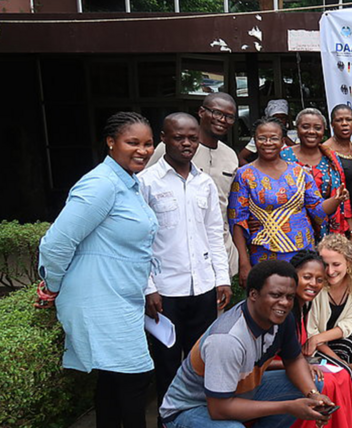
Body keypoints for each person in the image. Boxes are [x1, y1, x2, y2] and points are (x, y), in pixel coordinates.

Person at [37, 112, 157, 428]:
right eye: (133, 142)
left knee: (114, 381)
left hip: (120, 298)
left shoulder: (129, 184)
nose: (142, 150)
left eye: (148, 143)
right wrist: (52, 285)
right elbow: (56, 243)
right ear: (110, 142)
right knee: (135, 377)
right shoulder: (101, 184)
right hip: (99, 299)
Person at [159, 260, 336, 428]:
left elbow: (294, 360)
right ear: (253, 294)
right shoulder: (226, 340)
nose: (284, 303)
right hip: (191, 408)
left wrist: (314, 396)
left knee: (312, 386)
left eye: (289, 297)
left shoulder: (282, 316)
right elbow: (219, 409)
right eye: (276, 295)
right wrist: (288, 406)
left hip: (237, 391)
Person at [139, 113, 233, 411]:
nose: (186, 143)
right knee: (167, 365)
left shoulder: (204, 183)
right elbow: (140, 241)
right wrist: (148, 287)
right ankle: (170, 418)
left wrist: (222, 279)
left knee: (201, 360)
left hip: (203, 287)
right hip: (165, 292)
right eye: (179, 137)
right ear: (164, 138)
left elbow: (214, 234)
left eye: (192, 138)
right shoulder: (145, 183)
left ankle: (198, 416)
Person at [228, 117, 345, 285]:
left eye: (274, 138)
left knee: (302, 298)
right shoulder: (244, 174)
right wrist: (244, 263)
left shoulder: (299, 172)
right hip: (264, 252)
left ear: (283, 141)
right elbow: (237, 221)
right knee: (270, 299)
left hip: (302, 251)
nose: (268, 143)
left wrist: (336, 199)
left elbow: (317, 209)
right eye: (262, 138)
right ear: (254, 140)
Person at [149, 92, 240, 276]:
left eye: (229, 116)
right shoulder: (169, 149)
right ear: (201, 112)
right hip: (174, 251)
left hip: (219, 247)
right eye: (216, 113)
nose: (222, 120)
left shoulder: (230, 156)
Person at [274, 250, 352, 428]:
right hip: (278, 367)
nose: (313, 284)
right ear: (294, 276)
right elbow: (264, 361)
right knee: (327, 381)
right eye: (307, 277)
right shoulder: (283, 310)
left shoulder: (303, 305)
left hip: (298, 360)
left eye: (319, 280)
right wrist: (304, 366)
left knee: (342, 374)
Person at [306, 233, 352, 407]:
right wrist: (339, 363)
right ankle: (347, 388)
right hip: (311, 347)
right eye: (325, 265)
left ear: (348, 263)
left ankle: (343, 383)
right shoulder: (315, 285)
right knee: (335, 363)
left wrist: (320, 339)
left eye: (336, 264)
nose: (330, 271)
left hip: (326, 339)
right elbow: (310, 334)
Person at [280, 108, 352, 241]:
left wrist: (351, 228)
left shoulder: (331, 157)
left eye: (317, 128)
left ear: (324, 130)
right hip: (292, 232)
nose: (311, 132)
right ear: (297, 129)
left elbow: (343, 194)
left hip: (329, 231)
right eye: (305, 127)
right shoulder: (284, 157)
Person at [323, 105, 352, 245]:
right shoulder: (326, 151)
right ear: (332, 125)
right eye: (339, 120)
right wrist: (350, 227)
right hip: (341, 216)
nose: (344, 123)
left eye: (348, 119)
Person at [240, 99, 298, 165]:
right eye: (276, 118)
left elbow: (300, 153)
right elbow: (241, 157)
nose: (279, 121)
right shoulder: (260, 137)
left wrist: (284, 136)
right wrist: (251, 171)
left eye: (282, 118)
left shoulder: (295, 134)